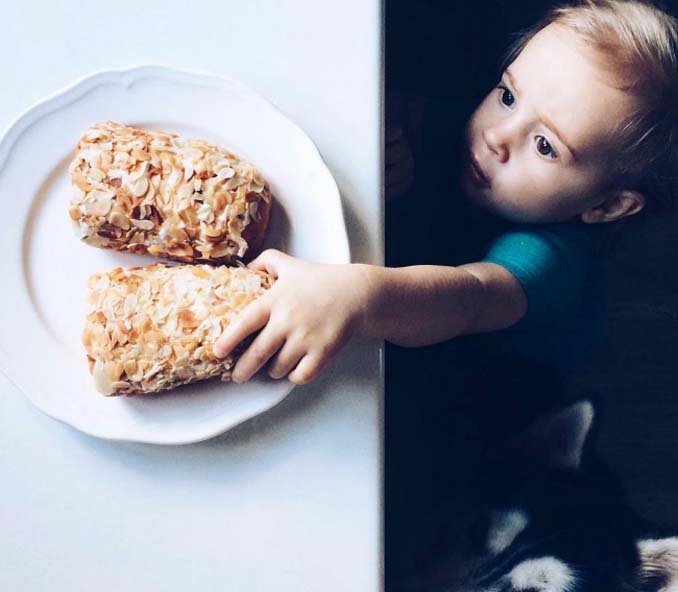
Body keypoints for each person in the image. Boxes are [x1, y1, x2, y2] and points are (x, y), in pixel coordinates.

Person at [213, 0, 678, 399]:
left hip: (494, 363)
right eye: (509, 96)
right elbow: (431, 119)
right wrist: (401, 149)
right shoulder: (496, 148)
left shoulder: (553, 260)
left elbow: (470, 297)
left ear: (608, 206)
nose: (497, 135)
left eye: (544, 146)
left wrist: (355, 296)